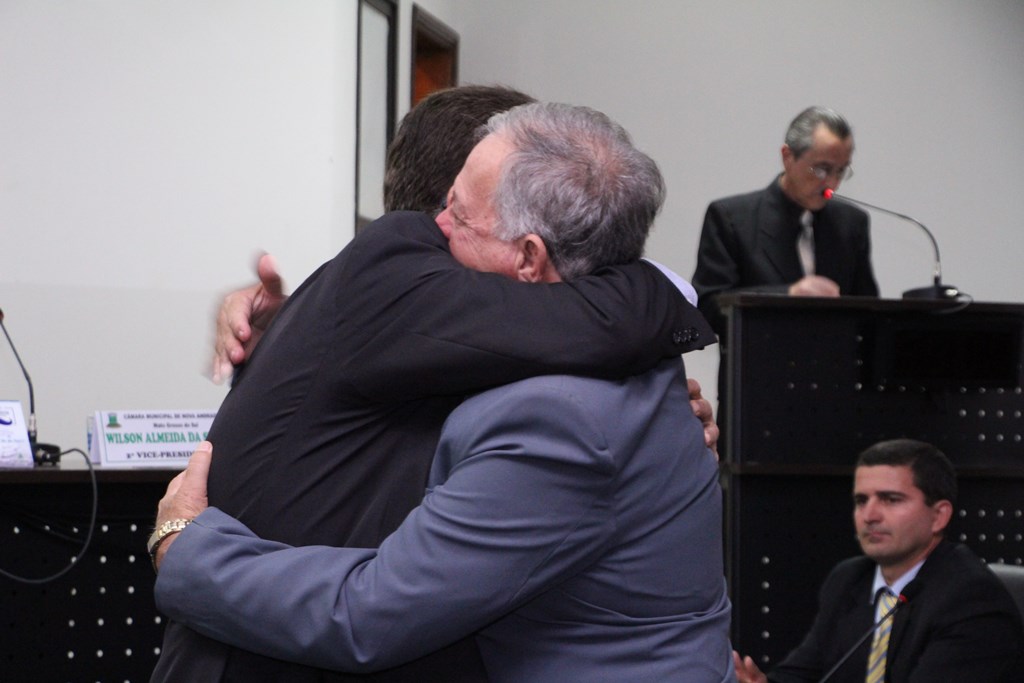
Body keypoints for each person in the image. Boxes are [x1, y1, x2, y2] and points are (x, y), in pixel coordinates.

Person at [152, 102, 734, 682]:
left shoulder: (559, 405)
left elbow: (372, 615)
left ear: (529, 256)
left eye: (458, 211)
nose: (439, 225)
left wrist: (185, 548)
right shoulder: (439, 305)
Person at [733, 439, 1024, 683]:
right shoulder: (849, 579)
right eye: (861, 501)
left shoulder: (971, 598)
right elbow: (803, 673)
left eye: (890, 499)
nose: (869, 516)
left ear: (939, 516)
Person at [691, 106, 879, 339]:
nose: (833, 183)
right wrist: (788, 295)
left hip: (834, 359)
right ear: (787, 157)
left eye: (841, 171)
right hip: (761, 358)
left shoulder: (851, 223)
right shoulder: (731, 218)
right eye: (822, 169)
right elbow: (708, 308)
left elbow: (870, 313)